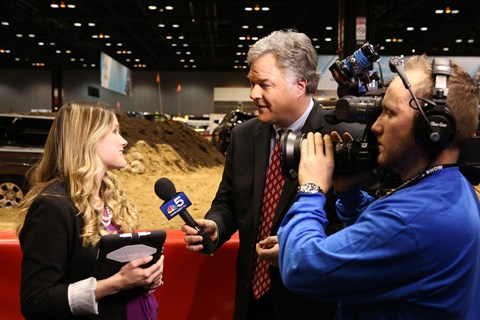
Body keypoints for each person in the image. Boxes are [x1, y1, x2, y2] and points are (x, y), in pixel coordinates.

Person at [277, 55, 480, 319]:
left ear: (433, 129)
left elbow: (300, 268)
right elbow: (381, 239)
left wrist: (312, 189)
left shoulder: (410, 221)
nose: (376, 126)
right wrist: (349, 195)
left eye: (390, 113)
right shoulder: (453, 189)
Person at [181, 29, 364, 319]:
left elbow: (361, 229)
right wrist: (216, 226)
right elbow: (227, 202)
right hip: (251, 301)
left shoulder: (344, 139)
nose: (253, 94)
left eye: (264, 85)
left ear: (300, 85)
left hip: (313, 303)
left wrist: (302, 250)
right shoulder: (243, 136)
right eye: (252, 84)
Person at [17, 101, 164, 319]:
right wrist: (117, 283)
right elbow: (37, 301)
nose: (123, 141)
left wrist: (146, 276)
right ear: (88, 138)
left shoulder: (110, 196)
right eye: (114, 131)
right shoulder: (52, 206)